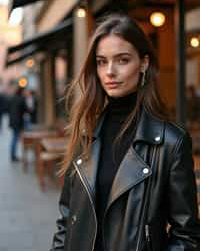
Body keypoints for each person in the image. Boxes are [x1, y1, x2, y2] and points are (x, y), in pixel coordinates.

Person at [50, 14, 200, 251]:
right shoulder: (86, 133)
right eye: (101, 61)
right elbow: (67, 218)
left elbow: (187, 236)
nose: (110, 71)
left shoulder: (171, 143)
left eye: (122, 60)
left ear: (144, 63)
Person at [8, 86, 27, 162]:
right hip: (18, 121)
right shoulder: (21, 99)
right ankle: (13, 156)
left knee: (14, 138)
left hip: (13, 121)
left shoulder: (12, 98)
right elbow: (25, 109)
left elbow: (8, 108)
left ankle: (13, 155)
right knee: (16, 138)